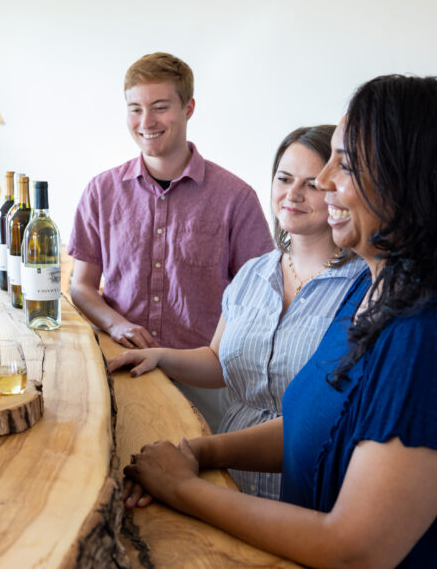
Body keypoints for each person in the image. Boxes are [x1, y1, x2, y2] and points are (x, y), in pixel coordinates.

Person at [124, 75, 437, 567]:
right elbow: (315, 423)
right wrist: (201, 454)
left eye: (343, 164)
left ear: (417, 184)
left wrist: (180, 487)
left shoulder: (429, 335)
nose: (323, 182)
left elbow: (355, 548)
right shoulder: (370, 291)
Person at [108, 125, 364, 499]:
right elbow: (218, 360)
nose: (292, 194)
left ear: (339, 190)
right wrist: (160, 356)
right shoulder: (253, 273)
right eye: (285, 178)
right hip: (227, 470)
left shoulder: (362, 287)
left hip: (308, 478)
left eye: (311, 184)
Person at [68, 52, 273, 429]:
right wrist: (116, 325)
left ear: (188, 107)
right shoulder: (100, 192)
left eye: (160, 107)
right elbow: (81, 286)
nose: (146, 122)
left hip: (206, 382)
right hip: (120, 370)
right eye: (135, 109)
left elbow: (260, 299)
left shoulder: (235, 197)